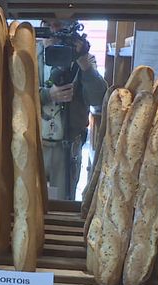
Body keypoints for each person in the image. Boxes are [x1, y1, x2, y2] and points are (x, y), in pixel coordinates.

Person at [38, 19, 107, 200]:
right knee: (31, 199)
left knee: (61, 203)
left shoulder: (83, 59)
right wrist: (47, 95)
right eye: (50, 23)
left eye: (60, 24)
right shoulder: (30, 56)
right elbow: (16, 95)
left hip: (67, 146)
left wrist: (84, 63)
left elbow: (98, 98)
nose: (54, 28)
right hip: (34, 143)